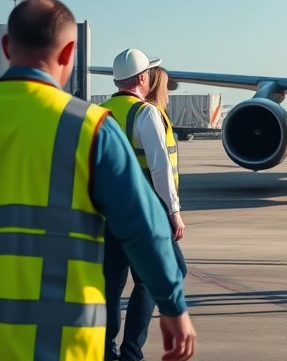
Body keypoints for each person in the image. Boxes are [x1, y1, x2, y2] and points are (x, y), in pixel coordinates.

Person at [0, 0, 196, 361]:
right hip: (53, 345)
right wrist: (174, 307)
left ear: (6, 47)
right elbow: (146, 232)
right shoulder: (90, 129)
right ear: (69, 53)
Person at [100, 49, 187, 361]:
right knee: (165, 271)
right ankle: (132, 352)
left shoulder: (100, 111)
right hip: (145, 211)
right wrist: (173, 212)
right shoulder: (145, 113)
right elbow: (160, 168)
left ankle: (106, 350)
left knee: (112, 281)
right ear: (141, 78)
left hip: (108, 212)